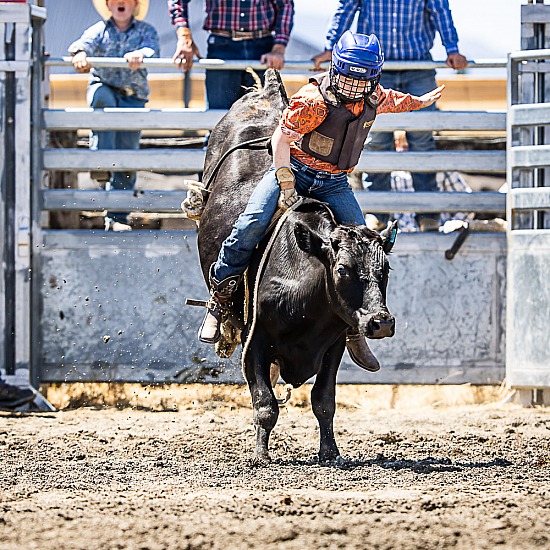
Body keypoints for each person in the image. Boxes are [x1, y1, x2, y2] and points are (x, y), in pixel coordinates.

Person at [199, 31, 444, 371]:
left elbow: (395, 100)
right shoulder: (311, 102)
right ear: (336, 70)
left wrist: (421, 100)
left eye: (363, 80)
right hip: (296, 169)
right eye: (350, 78)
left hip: (334, 182)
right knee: (251, 223)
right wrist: (285, 180)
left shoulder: (372, 97)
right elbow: (280, 138)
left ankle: (353, 329)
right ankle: (220, 298)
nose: (356, 87)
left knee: (361, 246)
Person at [312, 0, 468, 232]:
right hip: (373, 69)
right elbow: (346, 8)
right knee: (376, 140)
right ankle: (378, 212)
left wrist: (452, 49)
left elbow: (440, 11)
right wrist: (331, 45)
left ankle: (427, 214)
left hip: (417, 66)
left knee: (422, 141)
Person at [68, 0, 159, 231]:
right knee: (101, 98)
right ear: (108, 5)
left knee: (126, 157)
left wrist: (139, 55)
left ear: (135, 5)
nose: (121, 2)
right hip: (106, 86)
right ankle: (101, 162)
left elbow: (152, 49)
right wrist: (79, 53)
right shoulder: (99, 30)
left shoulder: (146, 30)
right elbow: (83, 43)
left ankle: (117, 217)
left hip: (132, 96)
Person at [168, 0, 294, 109]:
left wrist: (278, 47)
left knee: (263, 115)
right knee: (219, 116)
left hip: (262, 48)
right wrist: (184, 36)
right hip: (222, 46)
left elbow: (285, 4)